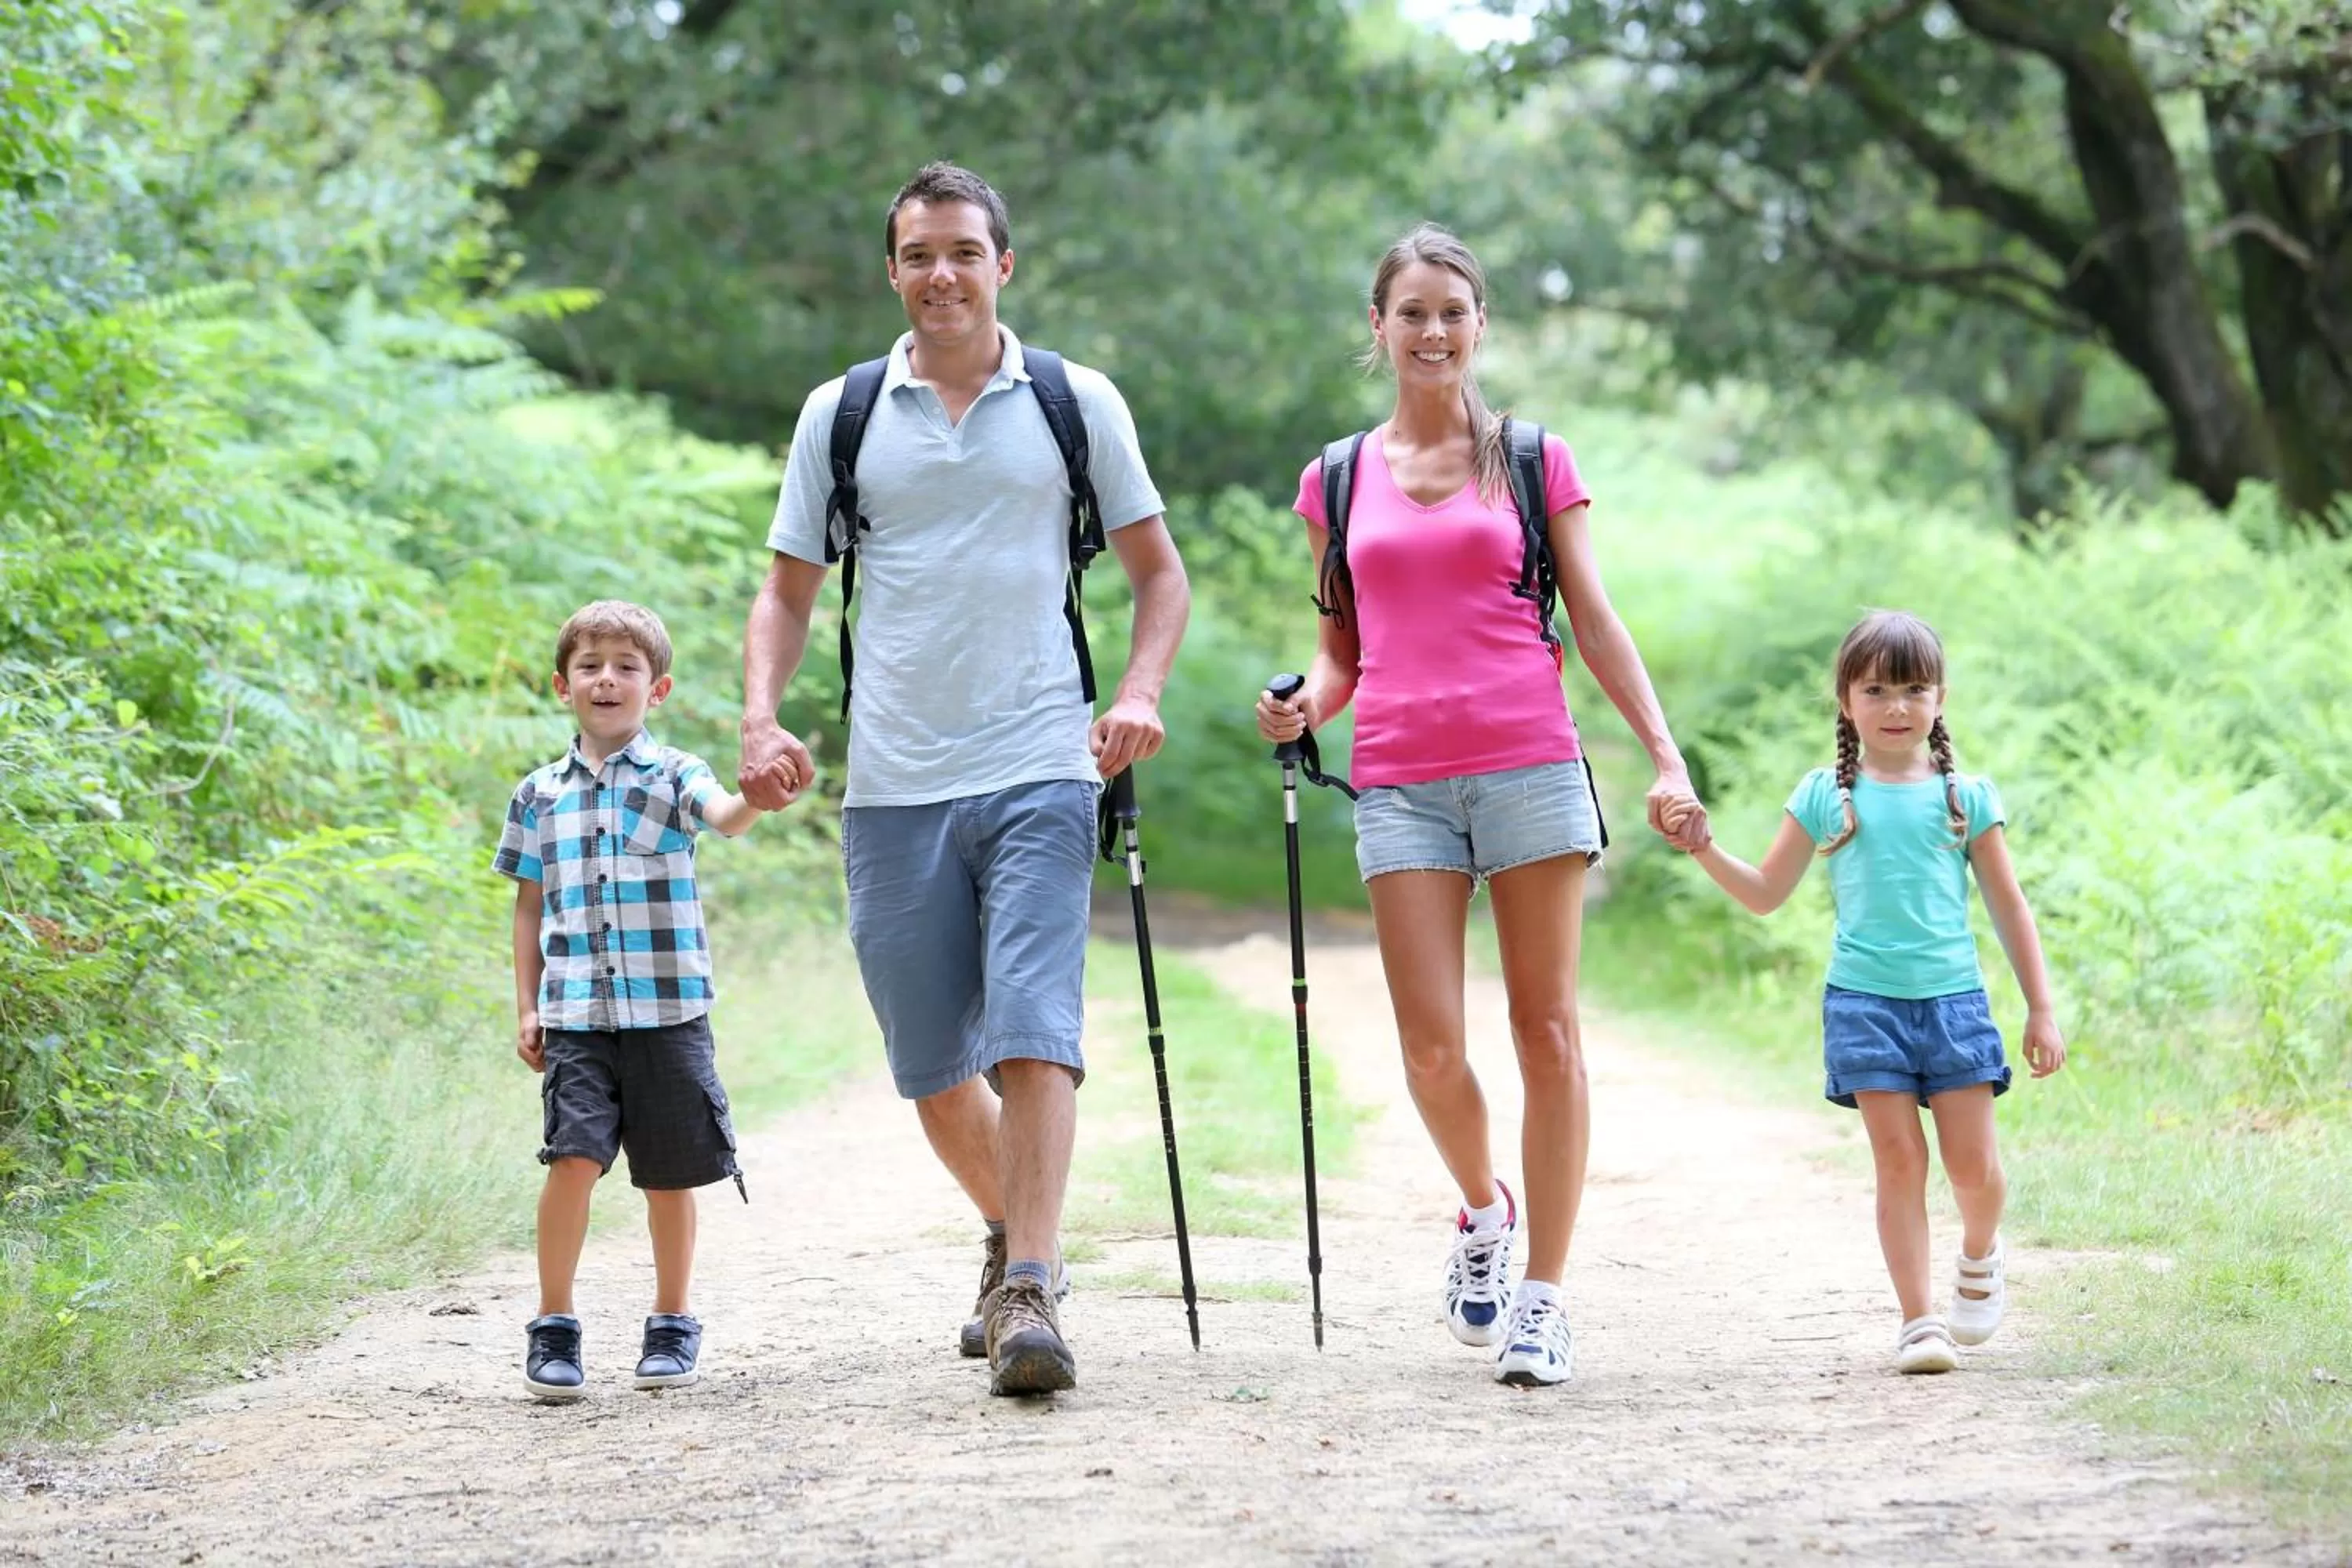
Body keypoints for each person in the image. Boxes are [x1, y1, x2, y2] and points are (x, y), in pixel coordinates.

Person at [738, 162, 1189, 1397]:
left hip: (1043, 763)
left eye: (964, 252)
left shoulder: (1070, 401)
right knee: (932, 1064)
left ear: (1004, 266)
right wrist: (760, 717)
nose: (943, 273)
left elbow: (1161, 575)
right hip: (892, 783)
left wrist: (1137, 693)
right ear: (893, 271)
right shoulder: (841, 414)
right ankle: (1013, 1236)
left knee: (1037, 1035)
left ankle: (1031, 1291)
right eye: (920, 253)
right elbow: (787, 591)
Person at [1255, 223, 1706, 1388]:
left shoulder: (1534, 459)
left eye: (1453, 311)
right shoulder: (1338, 477)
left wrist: (1664, 755)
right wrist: (1305, 704)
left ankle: (1547, 1298)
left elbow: (1593, 618)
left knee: (1546, 1033)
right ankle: (1482, 1211)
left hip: (1530, 766)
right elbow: (1340, 651)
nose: (1433, 331)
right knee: (1429, 1048)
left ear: (1481, 323)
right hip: (1401, 779)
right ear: (1379, 327)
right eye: (1411, 312)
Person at [1666, 609, 2067, 1374]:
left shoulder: (1967, 797)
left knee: (1974, 1168)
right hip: (1864, 1006)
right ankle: (1919, 1320)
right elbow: (1764, 892)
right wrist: (1703, 845)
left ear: (1941, 698)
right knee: (1897, 1160)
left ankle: (1979, 1254)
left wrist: (2040, 1006)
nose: (1896, 706)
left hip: (1954, 1004)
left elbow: (2010, 906)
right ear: (1846, 700)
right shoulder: (1825, 794)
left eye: (1914, 689)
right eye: (1876, 688)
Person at [495, 599, 768, 1401]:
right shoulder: (538, 793)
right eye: (590, 666)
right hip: (577, 1013)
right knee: (571, 1158)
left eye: (626, 667)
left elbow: (730, 818)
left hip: (669, 1012)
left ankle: (673, 1319)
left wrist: (761, 791)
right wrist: (526, 1003)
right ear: (561, 684)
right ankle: (554, 1323)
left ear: (660, 687)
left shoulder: (678, 774)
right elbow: (527, 904)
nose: (607, 679)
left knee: (668, 1173)